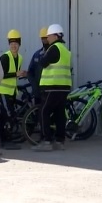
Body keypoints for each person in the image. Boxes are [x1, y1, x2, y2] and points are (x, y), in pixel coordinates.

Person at [33, 24, 72, 152]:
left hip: (52, 86)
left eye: (48, 36)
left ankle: (47, 141)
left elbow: (43, 62)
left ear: (55, 36)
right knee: (60, 114)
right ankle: (60, 141)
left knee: (44, 112)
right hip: (64, 87)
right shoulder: (65, 50)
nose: (47, 39)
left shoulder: (53, 48)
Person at [0, 30, 25, 150]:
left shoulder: (20, 58)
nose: (14, 46)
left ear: (19, 45)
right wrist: (16, 74)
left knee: (6, 116)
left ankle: (4, 139)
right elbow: (0, 75)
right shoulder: (5, 57)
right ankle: (5, 141)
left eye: (16, 44)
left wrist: (20, 74)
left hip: (11, 92)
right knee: (8, 116)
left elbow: (15, 74)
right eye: (11, 44)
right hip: (2, 92)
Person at [26, 27, 49, 103]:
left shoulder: (56, 54)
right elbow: (30, 72)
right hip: (39, 93)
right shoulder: (37, 55)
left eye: (46, 38)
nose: (45, 40)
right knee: (39, 113)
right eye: (43, 38)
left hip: (51, 92)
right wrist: (34, 87)